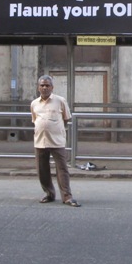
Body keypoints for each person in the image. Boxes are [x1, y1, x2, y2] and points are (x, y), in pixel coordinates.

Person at [30, 74, 80, 207]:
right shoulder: (34, 103)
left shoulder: (60, 101)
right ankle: (49, 194)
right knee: (42, 170)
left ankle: (67, 196)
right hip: (40, 141)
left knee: (62, 169)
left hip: (57, 141)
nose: (44, 88)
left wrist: (55, 128)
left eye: (47, 85)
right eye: (42, 85)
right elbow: (35, 120)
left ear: (52, 87)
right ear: (38, 87)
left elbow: (66, 118)